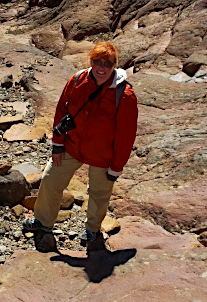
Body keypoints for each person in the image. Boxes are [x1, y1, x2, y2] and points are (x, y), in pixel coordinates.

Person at [24, 41, 138, 253]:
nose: (101, 67)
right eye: (97, 61)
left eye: (107, 63)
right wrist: (57, 145)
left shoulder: (124, 94)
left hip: (103, 154)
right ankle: (43, 221)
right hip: (72, 146)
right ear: (90, 61)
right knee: (50, 179)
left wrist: (117, 166)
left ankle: (93, 230)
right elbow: (61, 110)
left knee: (99, 193)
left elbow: (126, 135)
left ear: (115, 65)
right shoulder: (77, 80)